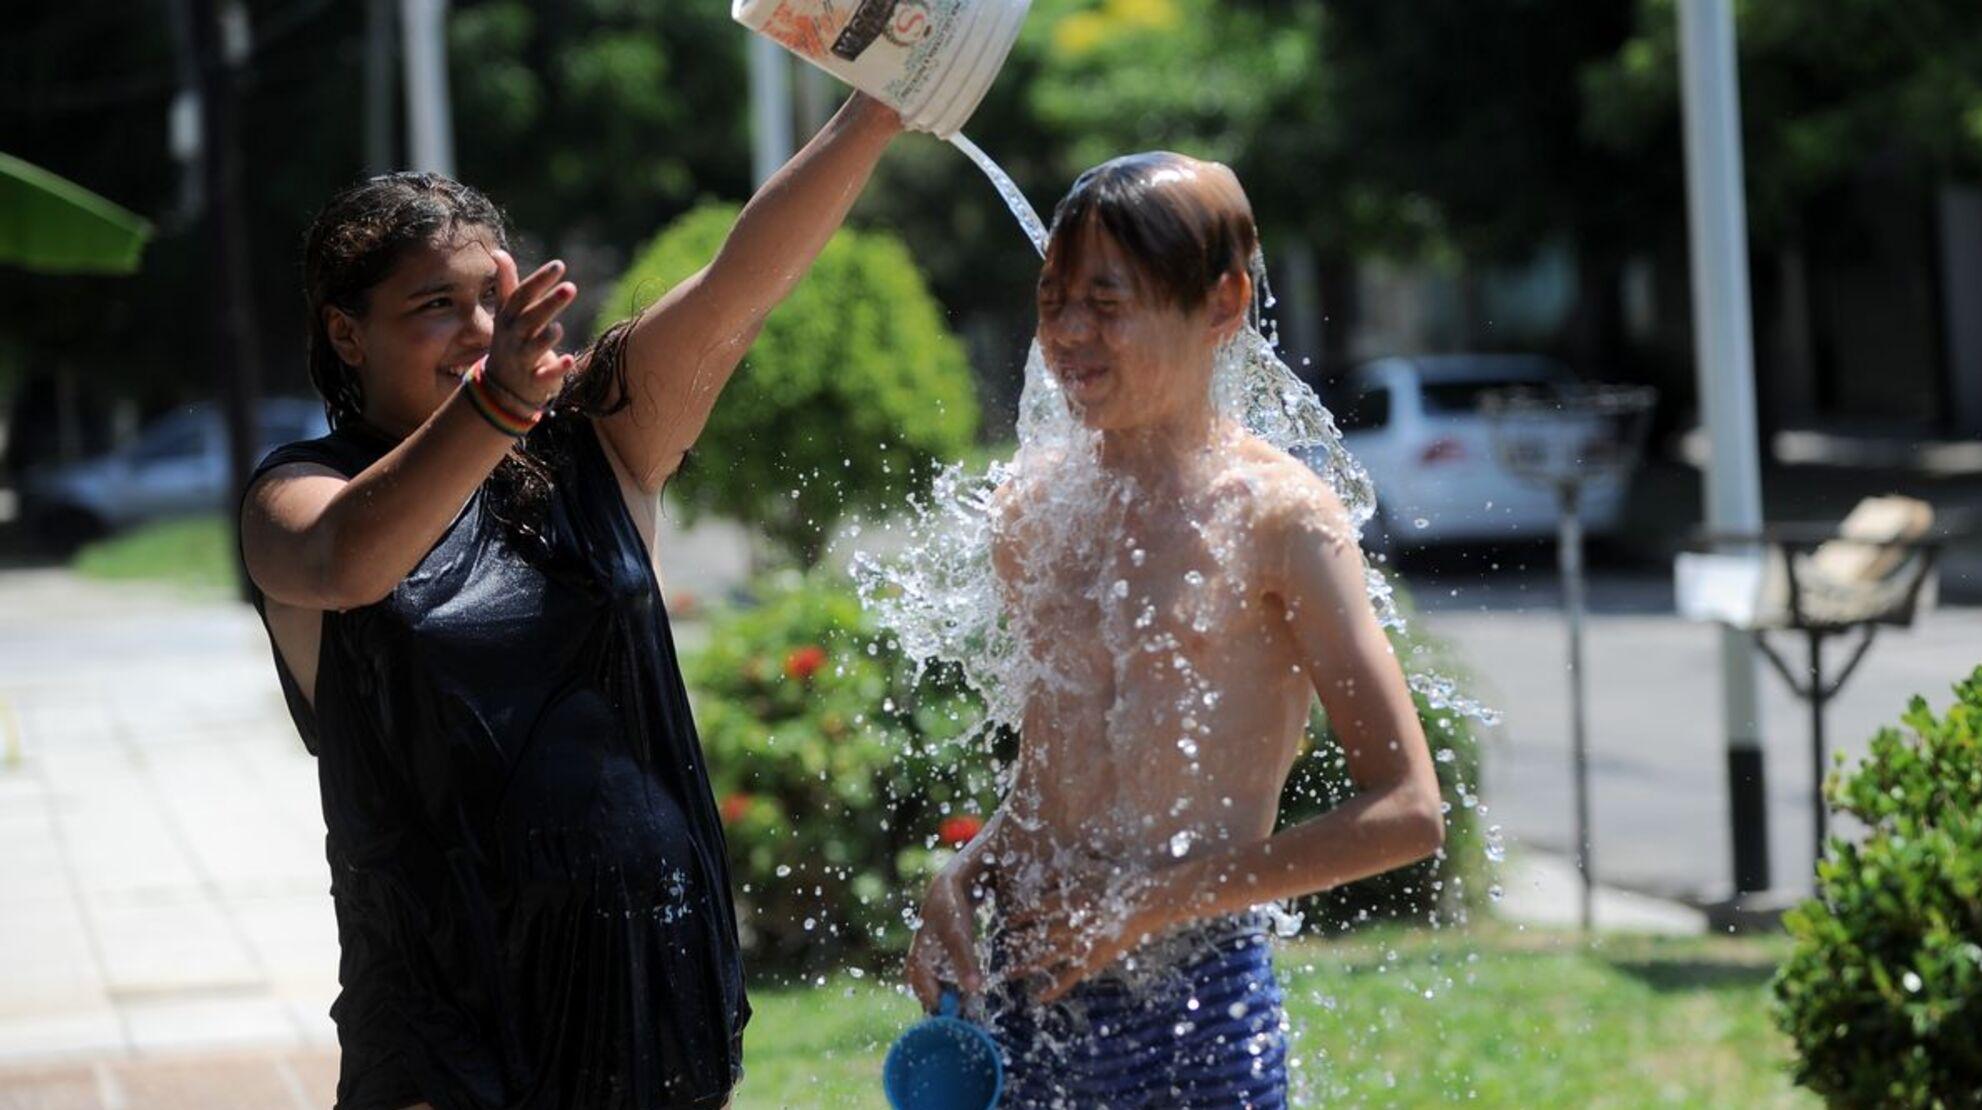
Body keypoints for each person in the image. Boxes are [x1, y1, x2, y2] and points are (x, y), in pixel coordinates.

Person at [240, 94, 903, 1109]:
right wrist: (496, 400)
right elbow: (348, 565)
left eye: (489, 303)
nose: (475, 332)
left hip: (648, 997)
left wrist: (876, 114)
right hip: (446, 1038)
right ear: (346, 332)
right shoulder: (300, 494)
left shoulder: (593, 438)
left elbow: (736, 289)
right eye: (434, 308)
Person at [901, 153, 1448, 1108]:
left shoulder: (1282, 519)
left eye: (1106, 304)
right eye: (1052, 300)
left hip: (1196, 1011)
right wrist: (968, 873)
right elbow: (1056, 783)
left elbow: (1407, 812)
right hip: (1030, 995)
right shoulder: (1034, 508)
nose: (1068, 335)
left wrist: (1147, 907)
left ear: (1223, 304)